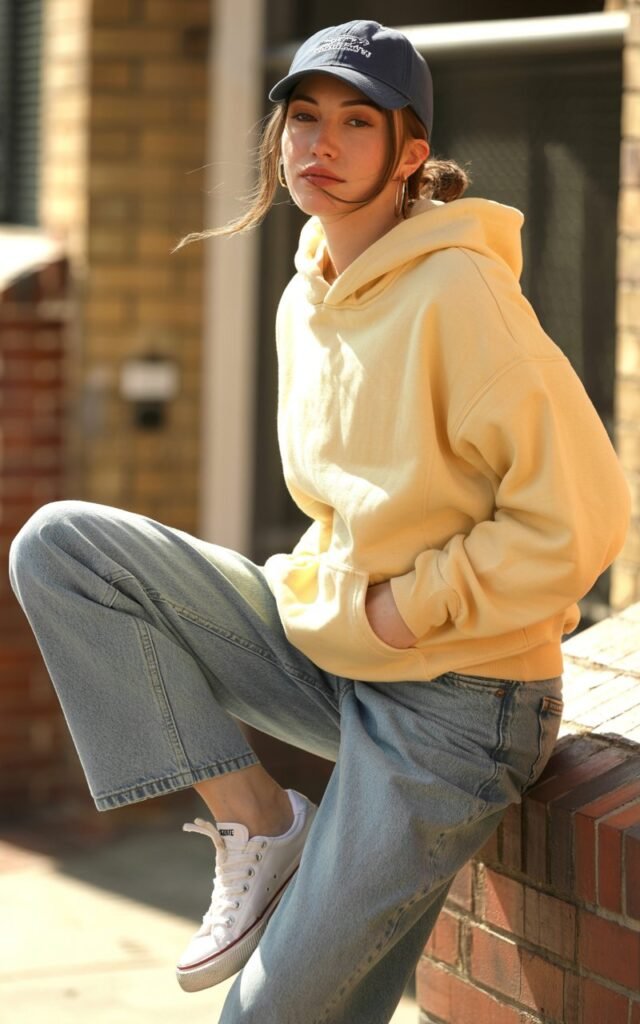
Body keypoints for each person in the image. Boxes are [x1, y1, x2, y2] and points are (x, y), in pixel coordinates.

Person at [9, 19, 630, 1024]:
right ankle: (258, 820)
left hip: (460, 703)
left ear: (410, 155)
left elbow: (583, 518)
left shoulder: (461, 292)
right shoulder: (308, 293)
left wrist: (404, 609)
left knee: (267, 1016)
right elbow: (356, 501)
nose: (320, 144)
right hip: (340, 650)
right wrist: (334, 595)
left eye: (354, 122)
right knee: (65, 548)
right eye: (303, 118)